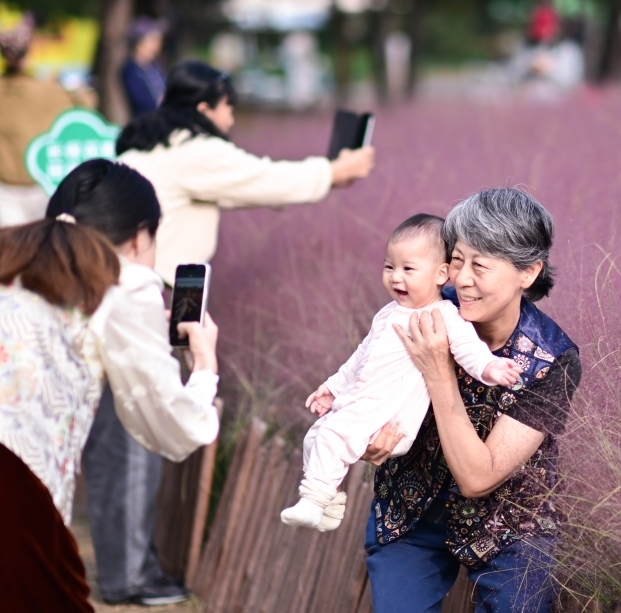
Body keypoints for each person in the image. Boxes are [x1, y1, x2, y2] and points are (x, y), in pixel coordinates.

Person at [0, 159, 220, 611]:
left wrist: (142, 335)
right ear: (140, 236)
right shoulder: (125, 283)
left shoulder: (12, 258)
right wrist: (203, 363)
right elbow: (174, 427)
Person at [360, 189, 582, 613]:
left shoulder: (553, 361)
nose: (461, 279)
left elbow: (479, 478)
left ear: (528, 272)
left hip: (512, 521)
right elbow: (370, 386)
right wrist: (368, 435)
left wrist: (438, 370)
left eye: (480, 265)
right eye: (457, 260)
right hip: (412, 505)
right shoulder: (423, 309)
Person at [280, 214, 522, 530]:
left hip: (389, 418)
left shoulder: (444, 315)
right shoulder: (387, 313)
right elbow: (359, 357)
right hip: (359, 406)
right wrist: (332, 387)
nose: (396, 277)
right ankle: (330, 503)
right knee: (314, 438)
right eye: (389, 267)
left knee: (329, 436)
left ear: (441, 274)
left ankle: (312, 502)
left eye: (408, 269)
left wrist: (490, 367)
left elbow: (468, 348)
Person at [117, 60, 375, 285]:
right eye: (228, 106)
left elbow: (252, 187)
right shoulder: (196, 151)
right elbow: (266, 179)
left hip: (113, 277)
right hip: (149, 284)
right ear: (204, 109)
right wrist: (334, 171)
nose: (232, 117)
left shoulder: (147, 145)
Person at [0, 15, 95, 226]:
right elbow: (87, 105)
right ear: (29, 50)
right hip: (41, 183)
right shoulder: (49, 91)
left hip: (4, 187)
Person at [122, 17, 167, 117]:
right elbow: (142, 102)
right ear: (139, 43)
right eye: (153, 41)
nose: (157, 46)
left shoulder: (156, 68)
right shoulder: (131, 71)